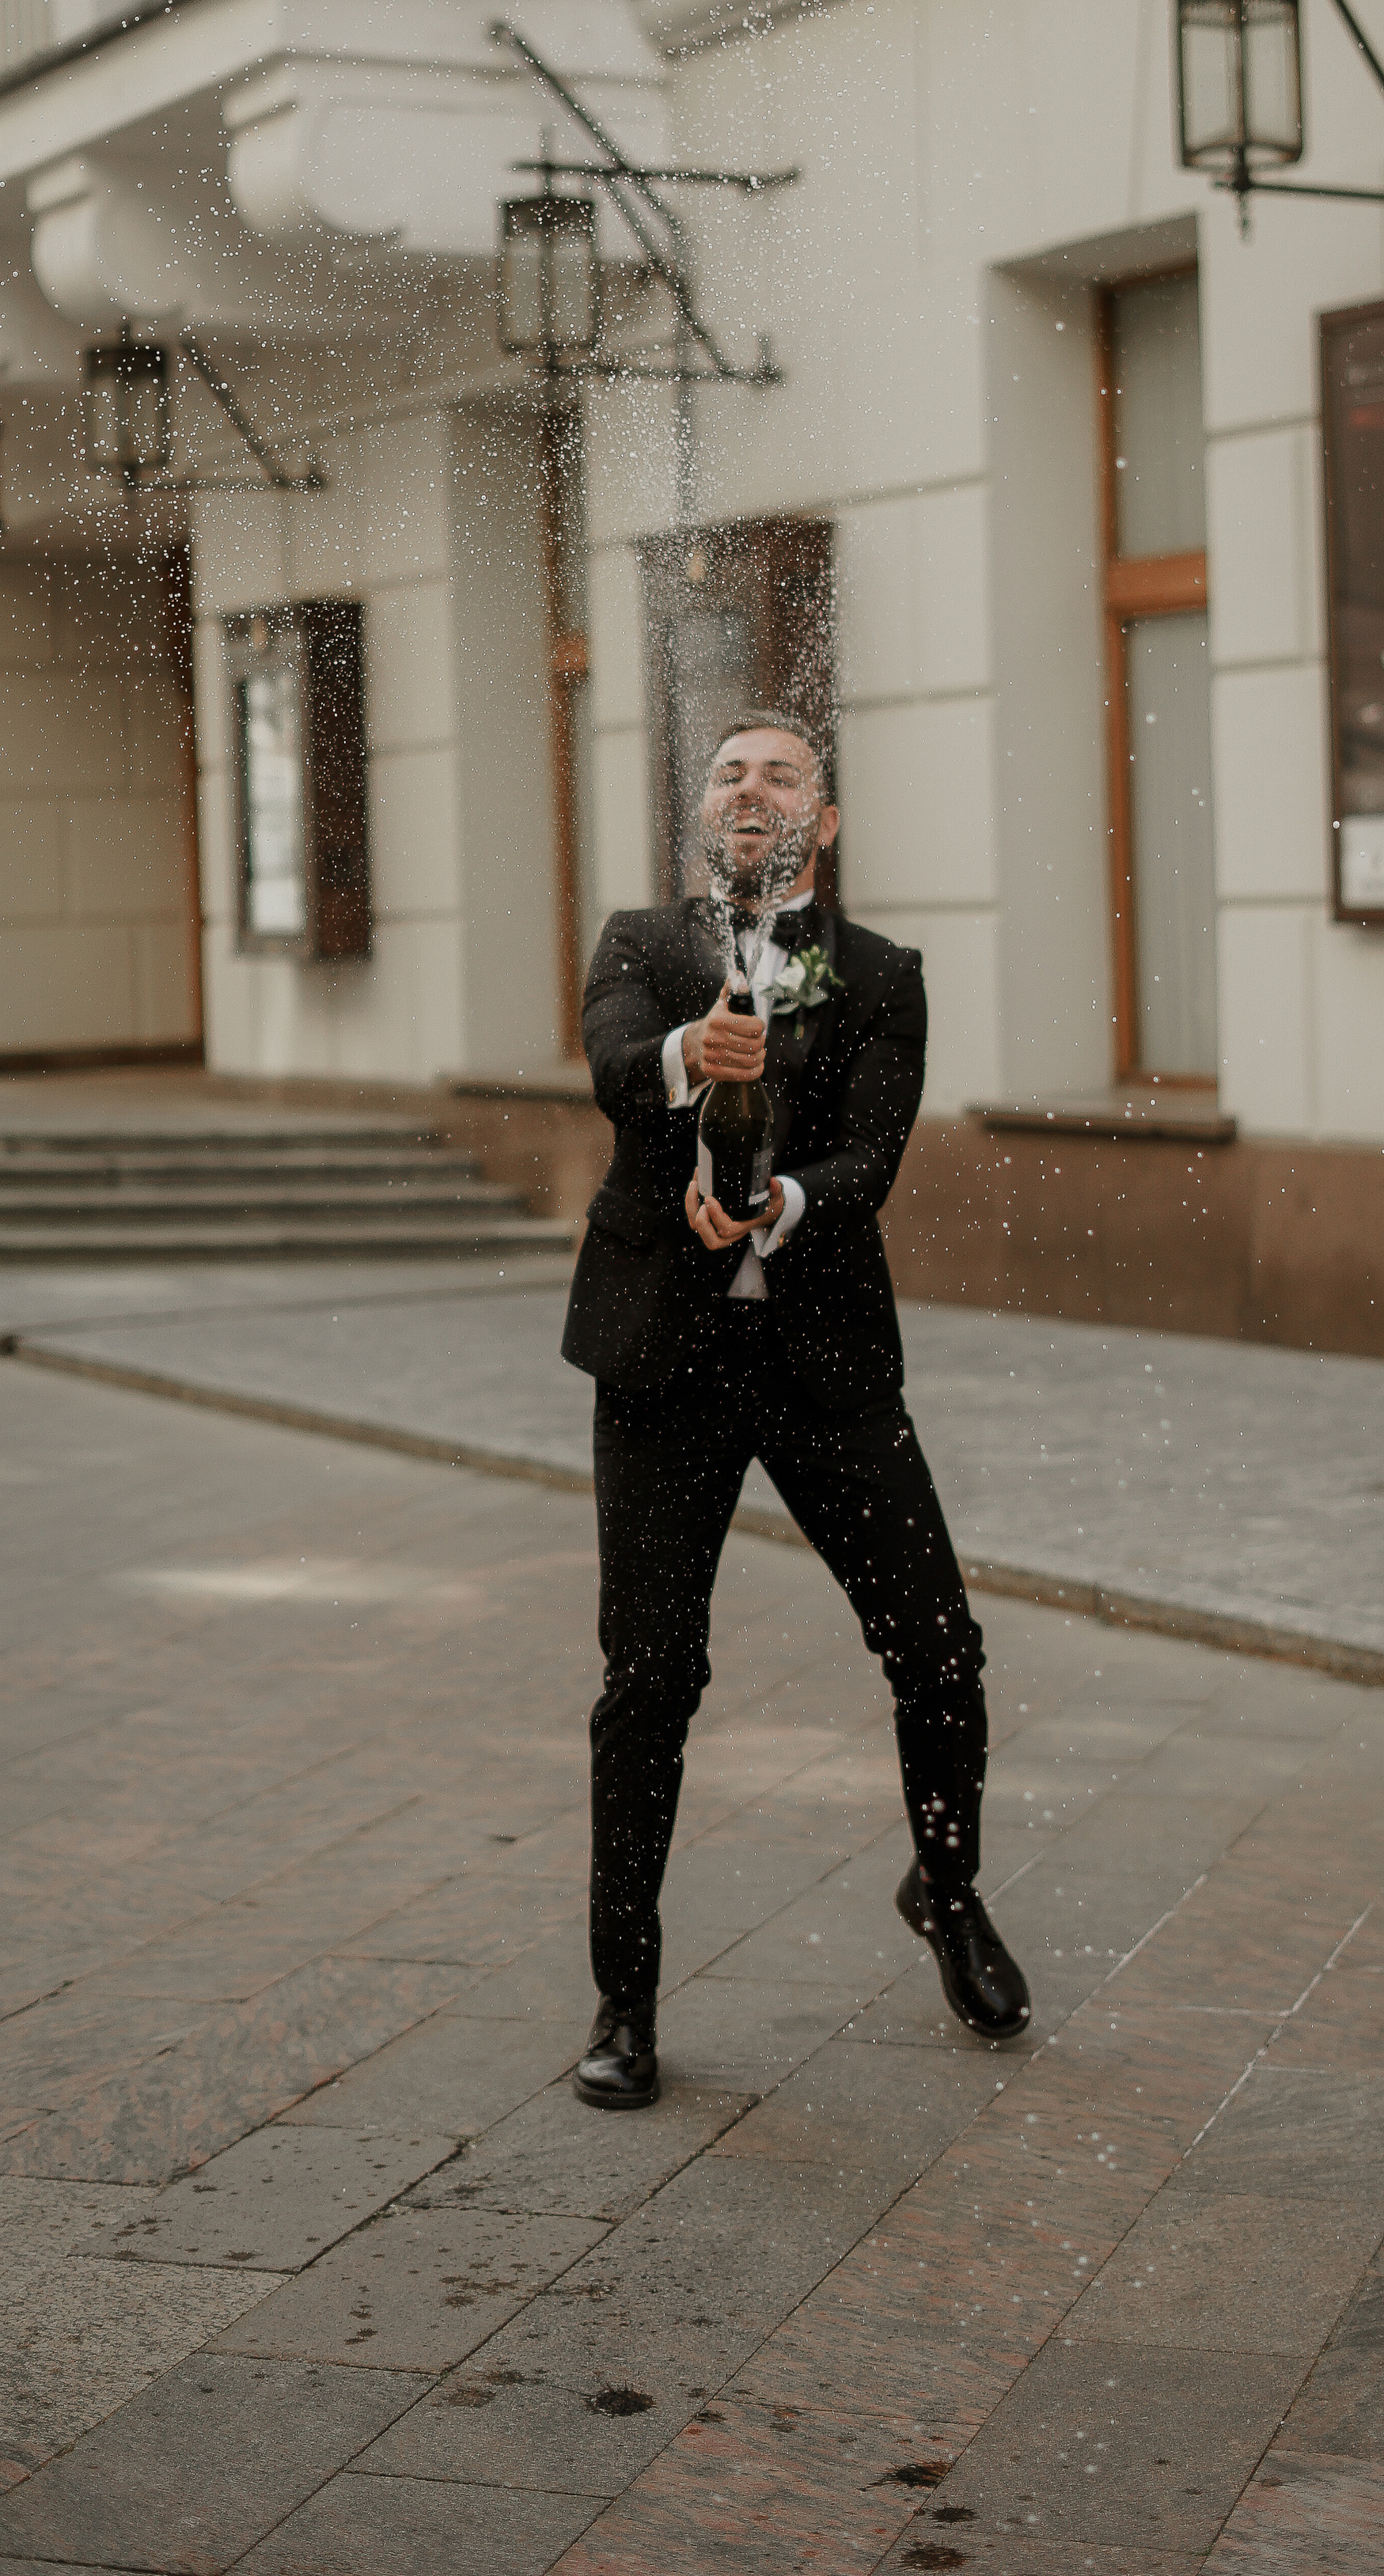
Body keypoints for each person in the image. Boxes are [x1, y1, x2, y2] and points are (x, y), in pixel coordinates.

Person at [561, 710, 1030, 2108]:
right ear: (701, 814)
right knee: (650, 1684)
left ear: (822, 821)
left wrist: (783, 1200)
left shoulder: (884, 975)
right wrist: (685, 1062)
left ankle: (947, 1893)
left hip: (822, 1361)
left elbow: (873, 1156)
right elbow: (610, 1072)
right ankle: (623, 2001)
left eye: (779, 774)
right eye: (726, 773)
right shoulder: (642, 947)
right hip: (661, 1365)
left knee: (938, 1642)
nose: (748, 789)